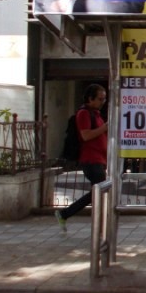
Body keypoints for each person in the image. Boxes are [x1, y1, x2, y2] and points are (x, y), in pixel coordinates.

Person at [55, 84, 108, 232]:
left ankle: (68, 214)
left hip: (98, 159)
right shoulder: (84, 114)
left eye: (104, 99)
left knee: (99, 191)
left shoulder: (96, 114)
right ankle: (65, 214)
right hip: (91, 160)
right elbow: (86, 135)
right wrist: (104, 127)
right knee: (100, 190)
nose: (103, 102)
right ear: (90, 99)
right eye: (100, 99)